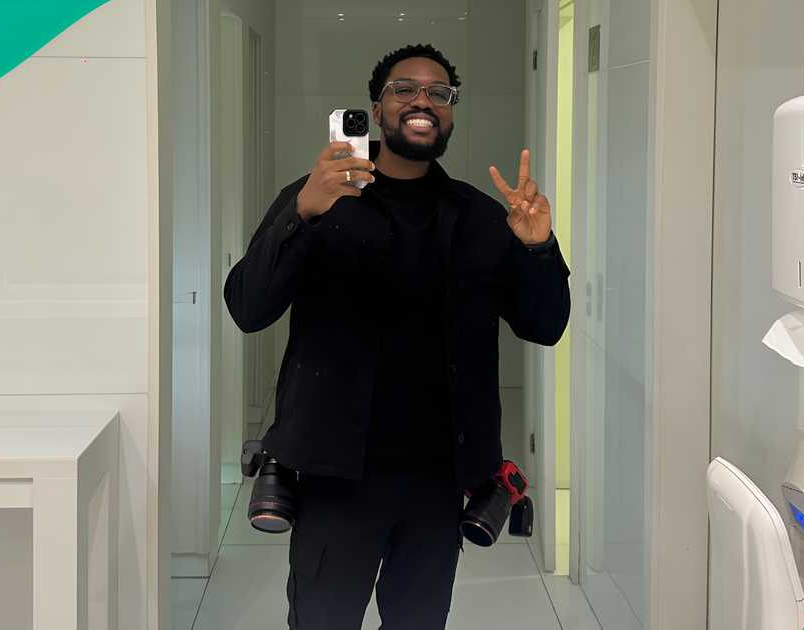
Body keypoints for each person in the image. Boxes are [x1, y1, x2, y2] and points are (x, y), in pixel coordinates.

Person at [223, 43, 570, 630]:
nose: (422, 101)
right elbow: (247, 307)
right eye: (403, 89)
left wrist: (537, 247)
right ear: (376, 108)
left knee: (419, 621)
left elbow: (545, 325)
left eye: (439, 93)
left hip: (438, 480)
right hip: (336, 474)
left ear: (451, 113)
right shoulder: (319, 198)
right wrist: (302, 214)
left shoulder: (482, 219)